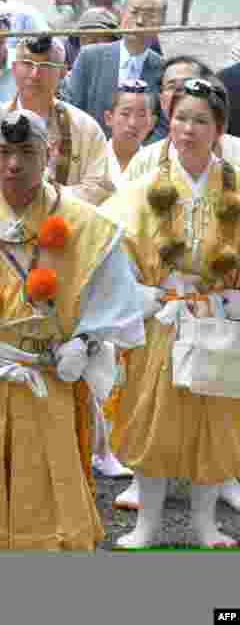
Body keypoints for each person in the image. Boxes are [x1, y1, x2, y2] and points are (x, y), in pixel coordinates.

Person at [0, 108, 146, 550]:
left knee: (51, 505)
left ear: (52, 152)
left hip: (51, 386)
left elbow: (114, 303)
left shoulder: (86, 225)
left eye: (27, 152)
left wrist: (85, 342)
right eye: (4, 152)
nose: (13, 165)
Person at [101, 77, 240, 548]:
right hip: (161, 315)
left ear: (218, 128)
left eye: (200, 120)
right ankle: (149, 524)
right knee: (152, 417)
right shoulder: (144, 186)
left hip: (220, 317)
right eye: (181, 118)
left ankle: (205, 524)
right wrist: (141, 292)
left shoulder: (236, 185)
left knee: (215, 420)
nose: (188, 129)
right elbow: (110, 244)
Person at [8, 35, 115, 207]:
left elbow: (100, 188)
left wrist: (47, 196)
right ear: (13, 68)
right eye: (27, 64)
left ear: (63, 72)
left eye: (46, 66)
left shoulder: (85, 128)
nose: (35, 74)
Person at [64, 0, 167, 144]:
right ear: (122, 14)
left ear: (161, 24)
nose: (139, 21)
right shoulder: (89, 57)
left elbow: (163, 125)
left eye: (149, 15)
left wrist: (141, 156)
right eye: (134, 12)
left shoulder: (164, 70)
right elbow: (72, 111)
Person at [103, 79, 158, 191]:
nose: (132, 123)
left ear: (152, 123)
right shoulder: (93, 158)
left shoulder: (157, 165)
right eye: (125, 114)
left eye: (141, 115)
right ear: (109, 118)